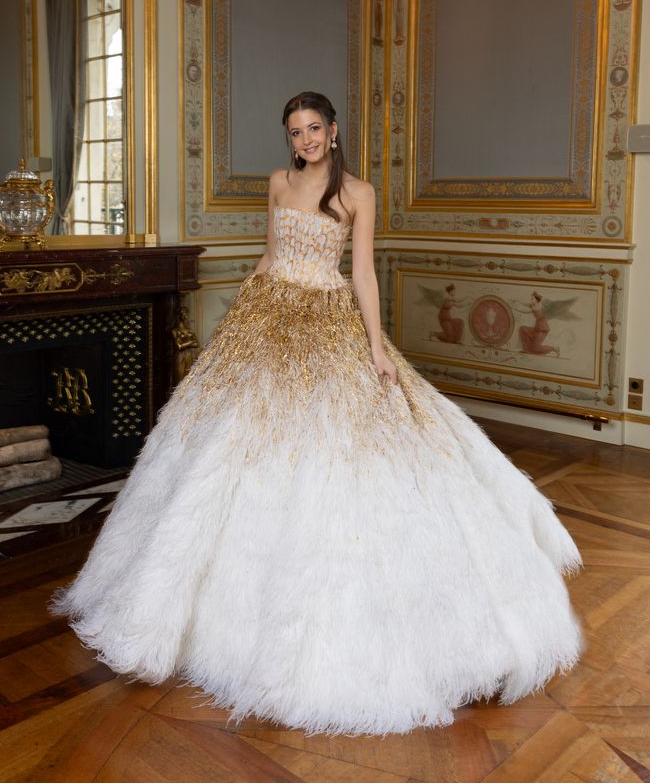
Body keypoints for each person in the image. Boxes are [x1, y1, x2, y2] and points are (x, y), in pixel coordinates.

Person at [52, 91, 582, 735]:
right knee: (225, 446)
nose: (304, 139)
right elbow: (271, 256)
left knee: (335, 450)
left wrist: (378, 348)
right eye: (294, 131)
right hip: (267, 316)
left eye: (314, 129)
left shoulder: (358, 193)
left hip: (328, 321)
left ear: (334, 131)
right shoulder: (277, 182)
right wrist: (240, 317)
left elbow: (362, 274)